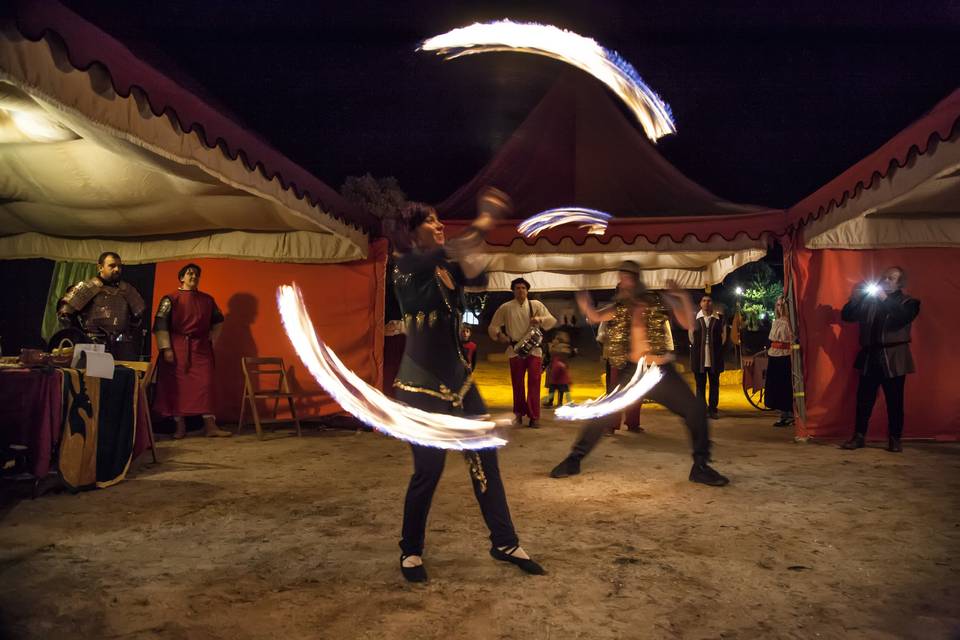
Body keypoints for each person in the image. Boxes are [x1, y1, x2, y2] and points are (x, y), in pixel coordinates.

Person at [391, 192, 544, 583]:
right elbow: (457, 248)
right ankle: (410, 549)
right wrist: (484, 221)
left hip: (461, 383)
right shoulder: (406, 265)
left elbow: (477, 275)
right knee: (429, 468)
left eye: (440, 220)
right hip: (420, 387)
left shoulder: (444, 266)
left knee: (485, 460)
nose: (440, 225)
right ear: (410, 232)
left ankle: (504, 541)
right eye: (431, 221)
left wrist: (476, 257)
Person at [550, 274, 729, 487]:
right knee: (602, 412)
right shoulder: (620, 308)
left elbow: (688, 323)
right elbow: (595, 317)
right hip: (633, 373)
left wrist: (681, 296)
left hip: (662, 372)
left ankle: (701, 466)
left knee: (696, 410)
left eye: (626, 281)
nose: (622, 286)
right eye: (620, 283)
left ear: (637, 284)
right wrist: (585, 302)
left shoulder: (657, 303)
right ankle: (574, 460)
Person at [840, 267, 920, 452]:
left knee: (895, 401)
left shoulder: (910, 303)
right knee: (863, 399)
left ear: (899, 283)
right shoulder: (870, 301)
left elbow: (901, 318)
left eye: (891, 278)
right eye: (884, 277)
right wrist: (858, 297)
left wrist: (884, 299)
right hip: (870, 355)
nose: (886, 280)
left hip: (894, 357)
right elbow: (847, 315)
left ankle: (894, 439)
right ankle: (859, 437)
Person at [152, 263, 232, 439]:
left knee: (206, 385)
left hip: (201, 348)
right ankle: (179, 427)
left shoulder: (207, 300)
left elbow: (218, 320)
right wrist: (166, 348)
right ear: (182, 277)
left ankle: (210, 426)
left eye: (196, 274)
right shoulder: (170, 299)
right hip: (178, 347)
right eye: (189, 273)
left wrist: (212, 337)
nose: (193, 276)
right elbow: (161, 324)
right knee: (177, 388)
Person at [488, 277, 557, 428]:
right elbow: (493, 326)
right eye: (517, 288)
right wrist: (499, 335)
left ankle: (534, 416)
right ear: (513, 290)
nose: (521, 291)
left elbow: (551, 321)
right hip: (515, 350)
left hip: (534, 349)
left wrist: (540, 319)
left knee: (534, 382)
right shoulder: (506, 307)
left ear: (527, 290)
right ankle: (518, 413)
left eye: (523, 288)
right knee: (517, 384)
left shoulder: (536, 305)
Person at [57, 251, 146, 361]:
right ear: (100, 267)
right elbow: (65, 314)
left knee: (122, 376)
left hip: (122, 346)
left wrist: (127, 332)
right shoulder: (88, 287)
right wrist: (82, 336)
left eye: (119, 266)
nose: (117, 269)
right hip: (93, 344)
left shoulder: (127, 290)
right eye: (112, 266)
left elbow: (138, 316)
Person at [689, 294, 727, 419]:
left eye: (709, 301)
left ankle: (712, 409)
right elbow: (691, 337)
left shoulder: (719, 319)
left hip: (714, 357)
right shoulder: (694, 319)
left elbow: (723, 337)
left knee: (714, 384)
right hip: (699, 357)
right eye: (704, 301)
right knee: (700, 385)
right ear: (700, 303)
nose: (706, 303)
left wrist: (714, 348)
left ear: (712, 303)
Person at [765, 296, 795, 427]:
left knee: (785, 386)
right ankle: (783, 414)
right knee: (776, 385)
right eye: (778, 305)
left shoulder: (791, 322)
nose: (780, 308)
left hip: (786, 356)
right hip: (774, 355)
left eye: (782, 305)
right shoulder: (776, 321)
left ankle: (790, 414)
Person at [542, 328, 575, 407]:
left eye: (556, 338)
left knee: (557, 389)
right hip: (556, 373)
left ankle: (556, 401)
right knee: (558, 389)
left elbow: (549, 357)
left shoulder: (559, 349)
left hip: (558, 373)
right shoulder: (557, 348)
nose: (554, 340)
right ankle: (556, 401)